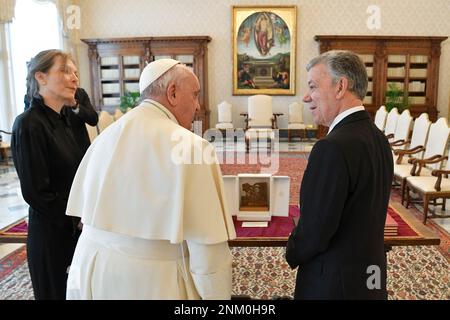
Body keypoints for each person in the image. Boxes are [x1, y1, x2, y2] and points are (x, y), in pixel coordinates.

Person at [65, 58, 236, 299]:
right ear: (173, 93)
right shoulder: (193, 147)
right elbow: (208, 254)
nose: (198, 106)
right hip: (155, 282)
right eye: (195, 95)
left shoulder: (106, 136)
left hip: (93, 271)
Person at [285, 50, 393, 299]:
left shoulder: (331, 147)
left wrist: (292, 251)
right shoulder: (378, 138)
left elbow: (316, 229)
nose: (305, 96)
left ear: (340, 86)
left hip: (335, 284)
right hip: (371, 278)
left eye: (313, 86)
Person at [11, 49, 84, 299]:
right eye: (65, 71)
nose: (74, 78)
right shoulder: (28, 124)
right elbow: (36, 193)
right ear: (40, 77)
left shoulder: (68, 121)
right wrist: (77, 218)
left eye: (75, 72)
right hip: (53, 237)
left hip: (77, 230)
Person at [25, 87, 99, 154]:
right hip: (54, 152)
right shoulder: (32, 97)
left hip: (81, 149)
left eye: (75, 74)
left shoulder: (79, 93)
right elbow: (30, 125)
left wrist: (75, 106)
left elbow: (93, 119)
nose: (75, 79)